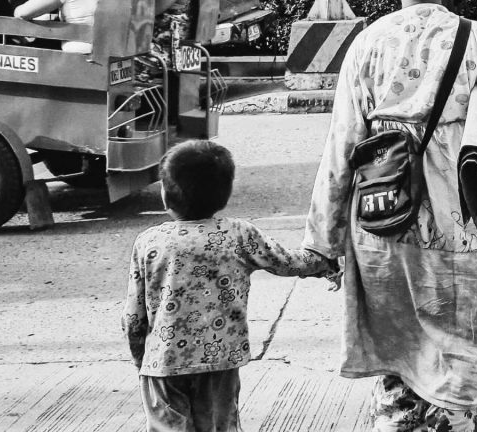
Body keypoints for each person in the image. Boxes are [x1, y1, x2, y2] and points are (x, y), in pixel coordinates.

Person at [302, 0, 477, 432]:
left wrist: (323, 245)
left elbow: (341, 150)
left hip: (381, 236)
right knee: (457, 389)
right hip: (459, 241)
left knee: (399, 378)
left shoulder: (366, 46)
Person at [122, 140, 339, 431]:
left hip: (163, 363)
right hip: (220, 362)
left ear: (165, 195)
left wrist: (141, 360)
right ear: (224, 194)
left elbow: (133, 317)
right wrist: (324, 262)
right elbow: (286, 262)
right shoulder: (237, 234)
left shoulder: (149, 242)